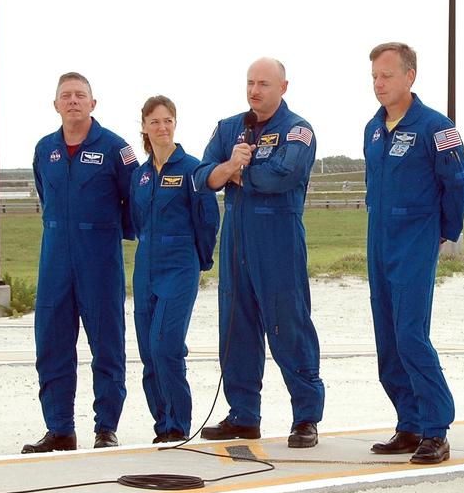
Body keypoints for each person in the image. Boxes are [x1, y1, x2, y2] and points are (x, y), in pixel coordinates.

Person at [195, 58, 325, 449]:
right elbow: (203, 177)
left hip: (278, 241)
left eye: (264, 84)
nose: (255, 90)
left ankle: (306, 417)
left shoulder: (298, 130)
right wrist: (226, 168)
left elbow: (282, 175)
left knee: (289, 327)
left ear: (283, 87)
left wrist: (237, 173)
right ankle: (243, 416)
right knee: (236, 329)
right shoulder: (229, 127)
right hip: (236, 239)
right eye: (250, 83)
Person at [363, 42, 464, 464]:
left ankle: (435, 428)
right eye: (374, 76)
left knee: (410, 334)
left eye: (387, 75)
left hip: (415, 237)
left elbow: (457, 183)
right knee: (388, 337)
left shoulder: (435, 126)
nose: (379, 83)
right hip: (379, 236)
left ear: (410, 77)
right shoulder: (373, 128)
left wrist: (445, 231)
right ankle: (407, 423)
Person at [24, 72, 139, 453]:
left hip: (99, 261)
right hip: (55, 258)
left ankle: (106, 428)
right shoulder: (45, 149)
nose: (73, 101)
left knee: (107, 345)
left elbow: (134, 201)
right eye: (66, 96)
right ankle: (59, 428)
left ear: (93, 103)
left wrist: (103, 233)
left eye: (80, 95)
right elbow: (46, 194)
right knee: (52, 343)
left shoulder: (115, 149)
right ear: (55, 104)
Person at [130, 96, 220, 443]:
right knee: (148, 351)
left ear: (175, 124)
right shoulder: (139, 176)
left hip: (180, 264)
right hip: (146, 264)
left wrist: (199, 259)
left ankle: (178, 424)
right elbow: (137, 220)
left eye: (168, 121)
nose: (162, 127)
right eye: (155, 122)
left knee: (166, 345)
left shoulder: (191, 169)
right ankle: (162, 425)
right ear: (144, 127)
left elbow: (208, 219)